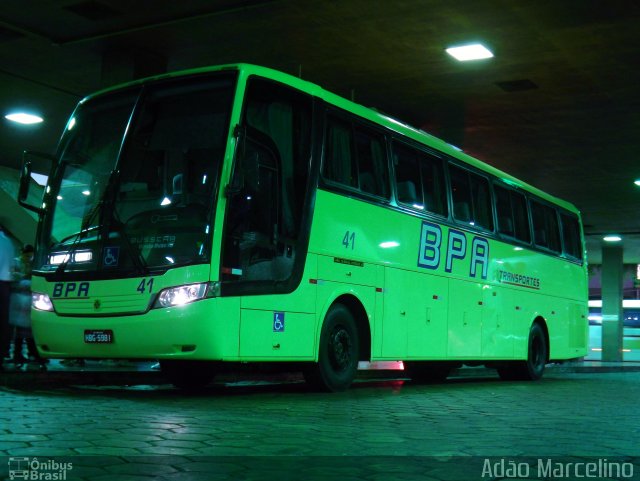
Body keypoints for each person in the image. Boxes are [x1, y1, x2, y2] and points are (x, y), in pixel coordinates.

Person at [10, 244, 45, 370]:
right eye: (27, 256)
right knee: (21, 329)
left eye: (31, 256)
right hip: (18, 300)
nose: (29, 258)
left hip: (28, 300)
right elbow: (14, 279)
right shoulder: (16, 263)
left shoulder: (32, 264)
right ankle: (23, 354)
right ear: (22, 254)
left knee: (26, 329)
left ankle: (22, 354)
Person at [0, 224, 16, 372]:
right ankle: (3, 352)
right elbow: (12, 266)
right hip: (6, 285)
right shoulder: (9, 243)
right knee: (4, 321)